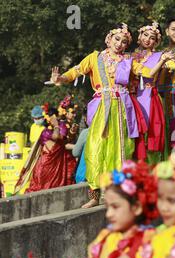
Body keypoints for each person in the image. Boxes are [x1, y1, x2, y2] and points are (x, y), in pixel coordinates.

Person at [11, 160, 159, 258]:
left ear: (137, 207)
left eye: (115, 207)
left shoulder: (146, 240)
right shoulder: (106, 236)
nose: (108, 214)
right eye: (107, 207)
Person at [48, 23, 140, 208]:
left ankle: (115, 192)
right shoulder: (95, 57)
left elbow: (143, 74)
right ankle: (94, 195)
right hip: (101, 109)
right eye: (117, 39)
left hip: (122, 109)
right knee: (94, 149)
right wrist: (61, 78)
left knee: (121, 150)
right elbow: (75, 71)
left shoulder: (129, 60)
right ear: (109, 38)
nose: (119, 44)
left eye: (124, 41)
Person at [130, 21, 175, 164]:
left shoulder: (160, 56)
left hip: (149, 97)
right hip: (133, 98)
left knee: (152, 133)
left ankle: (151, 169)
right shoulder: (130, 56)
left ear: (156, 41)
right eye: (145, 35)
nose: (148, 39)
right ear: (140, 36)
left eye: (152, 37)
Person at [15, 102, 77, 194]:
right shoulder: (46, 131)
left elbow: (64, 141)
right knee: (41, 188)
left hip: (58, 164)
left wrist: (71, 132)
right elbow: (55, 137)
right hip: (46, 164)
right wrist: (56, 125)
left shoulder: (61, 126)